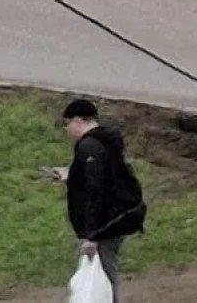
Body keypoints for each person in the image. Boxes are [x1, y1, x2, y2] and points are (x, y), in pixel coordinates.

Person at [59, 98, 146, 303]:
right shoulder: (107, 141)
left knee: (103, 276)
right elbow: (105, 178)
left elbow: (95, 191)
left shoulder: (89, 146)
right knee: (104, 273)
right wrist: (71, 177)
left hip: (104, 226)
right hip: (114, 220)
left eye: (67, 123)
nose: (67, 129)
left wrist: (92, 235)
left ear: (78, 121)